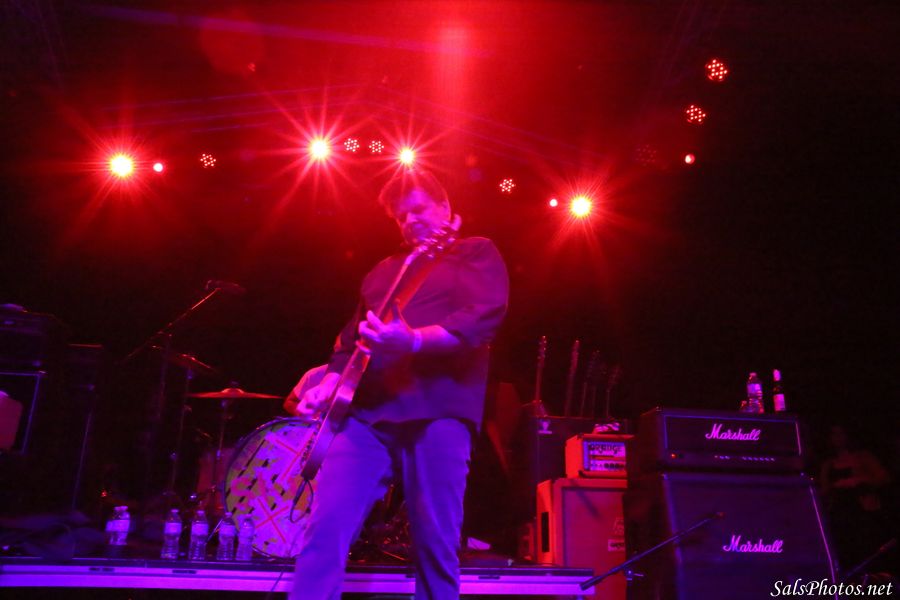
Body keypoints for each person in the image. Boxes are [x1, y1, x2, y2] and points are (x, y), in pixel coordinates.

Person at [286, 169, 509, 600]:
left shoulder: (475, 252)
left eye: (418, 209)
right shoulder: (383, 272)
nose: (410, 221)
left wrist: (413, 340)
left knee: (436, 543)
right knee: (324, 531)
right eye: (401, 217)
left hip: (439, 412)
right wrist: (328, 383)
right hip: (367, 417)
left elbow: (480, 320)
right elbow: (349, 343)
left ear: (444, 207)